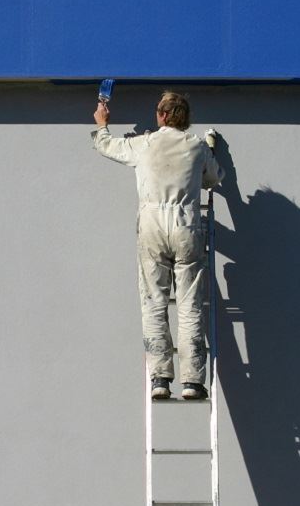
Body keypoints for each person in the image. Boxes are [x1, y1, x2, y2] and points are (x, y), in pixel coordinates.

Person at [92, 92, 224, 399]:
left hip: (152, 223)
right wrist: (210, 151)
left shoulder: (145, 144)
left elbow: (107, 146)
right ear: (185, 118)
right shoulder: (196, 146)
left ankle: (160, 378)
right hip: (186, 223)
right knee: (190, 305)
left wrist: (101, 124)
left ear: (162, 115)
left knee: (154, 302)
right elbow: (214, 178)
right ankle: (192, 381)